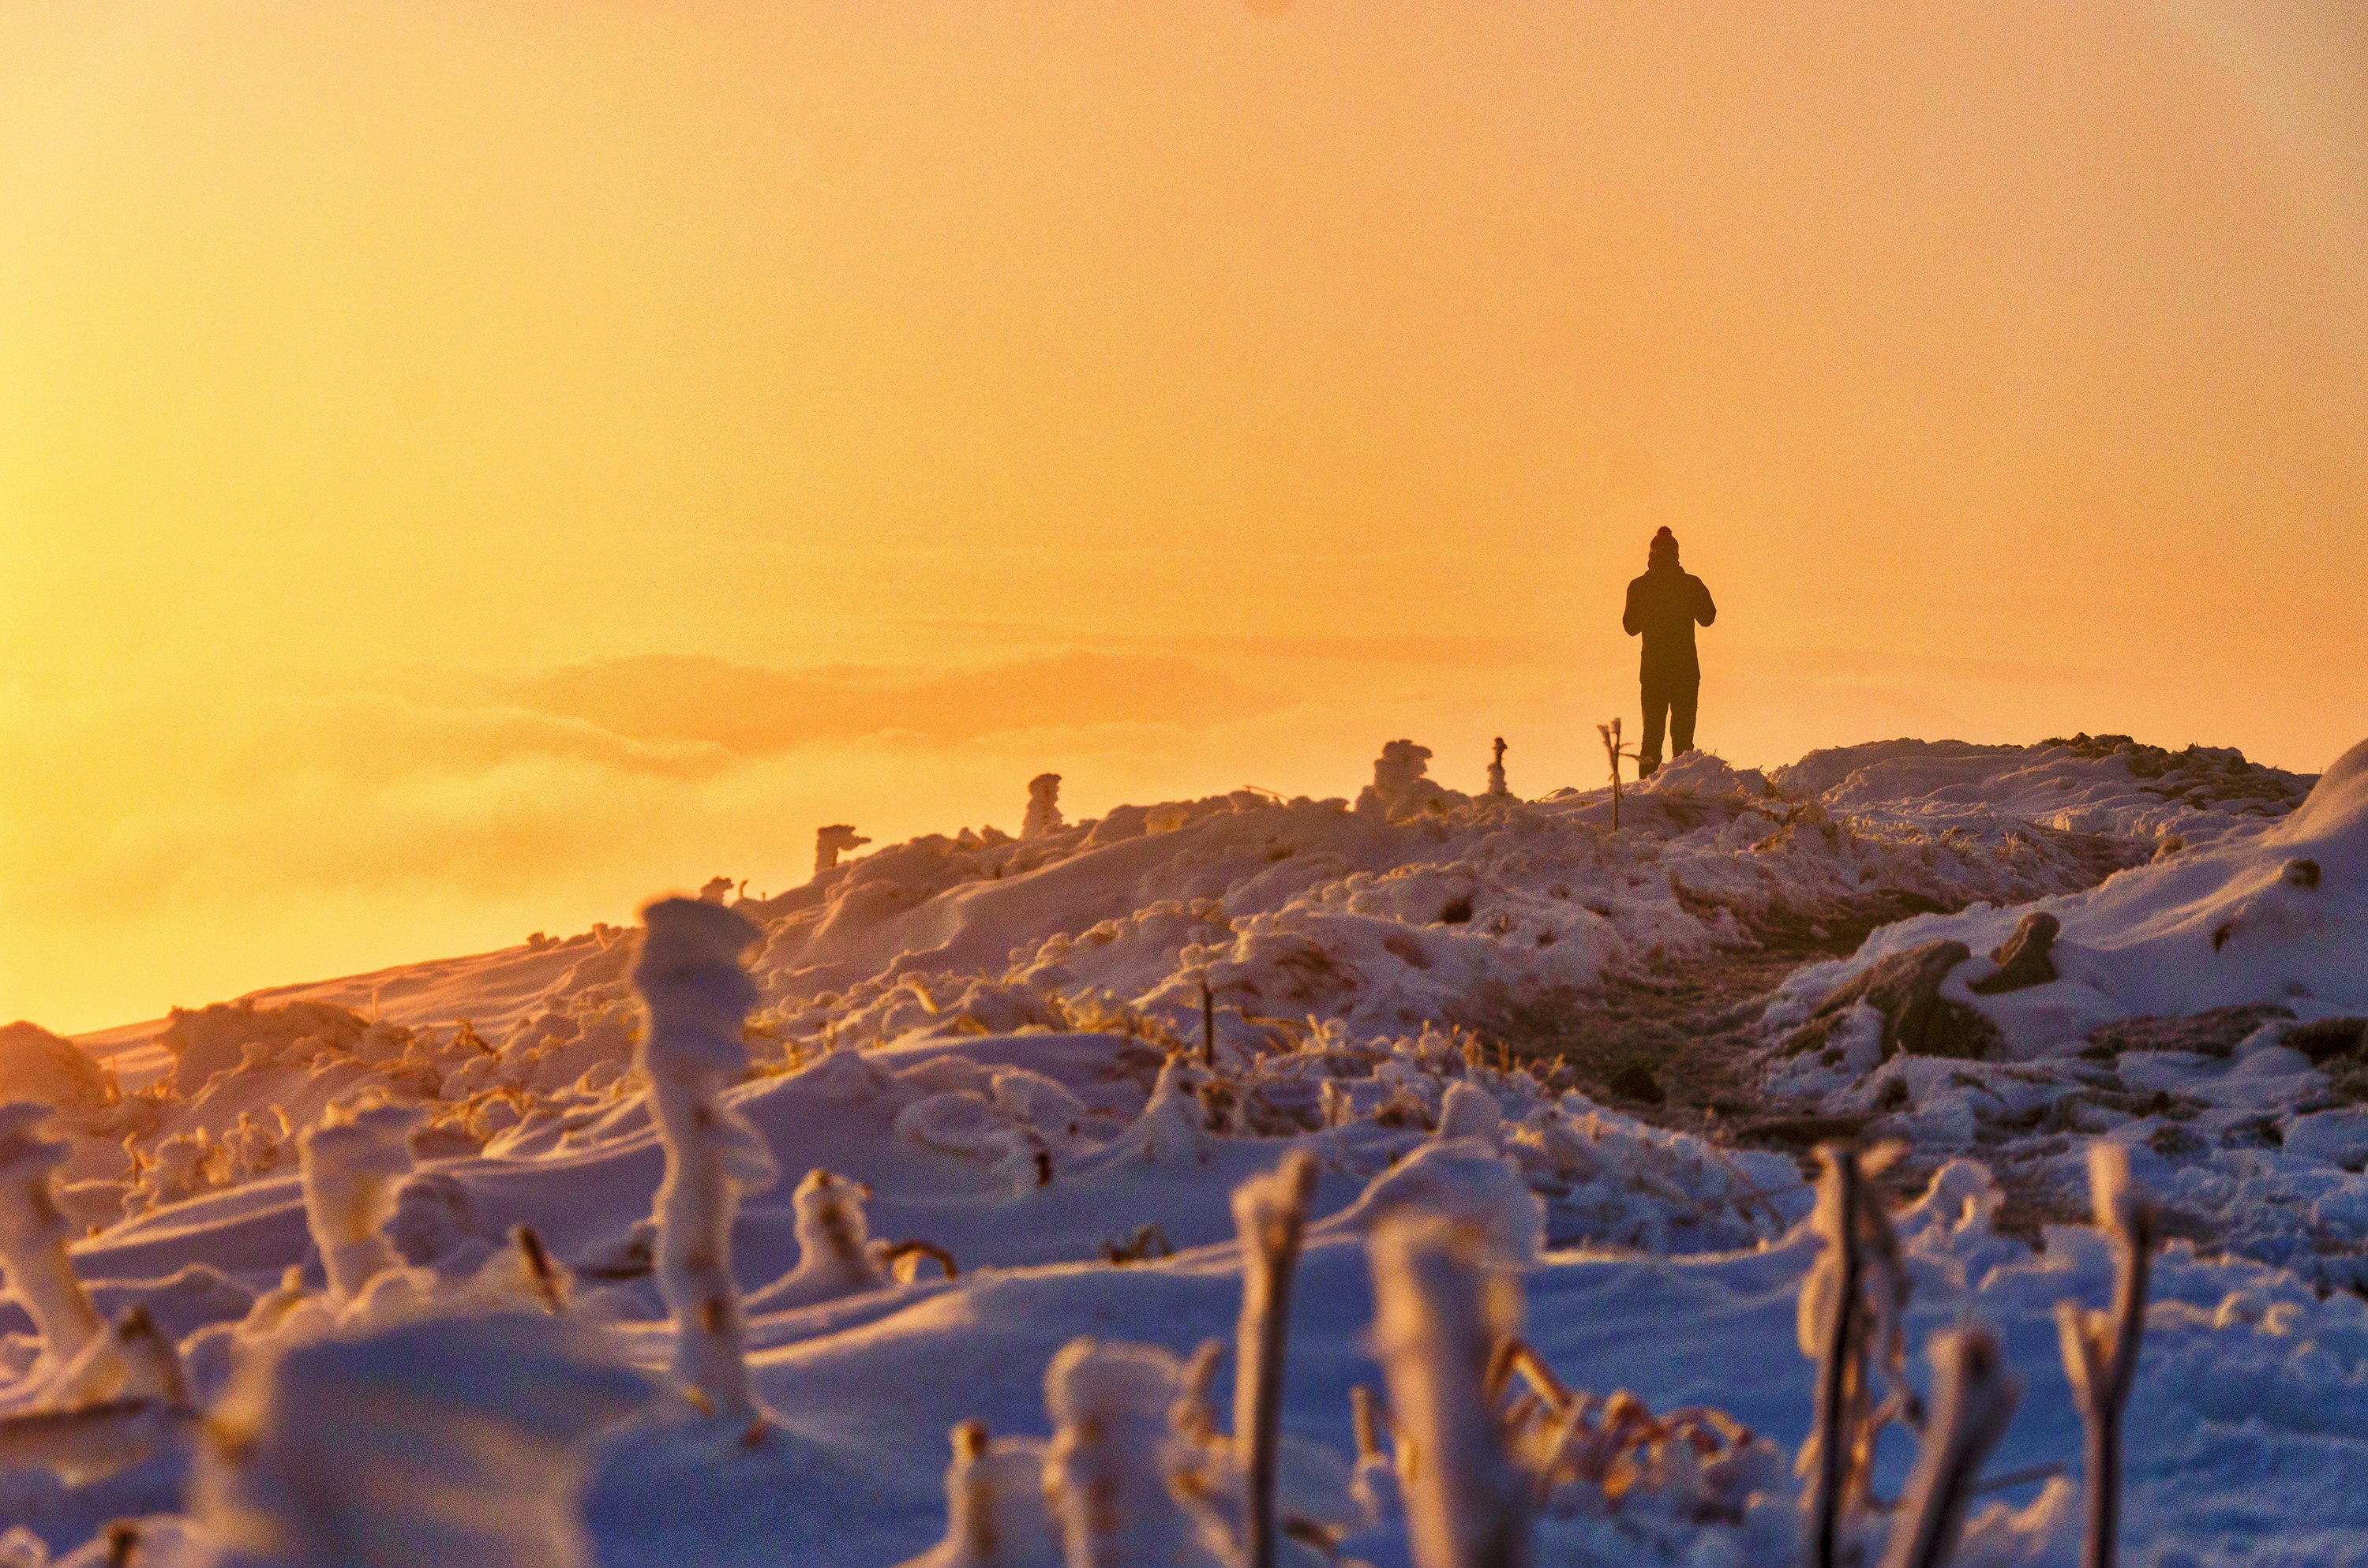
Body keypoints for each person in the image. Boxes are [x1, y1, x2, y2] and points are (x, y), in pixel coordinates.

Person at [1621, 526, 1716, 777]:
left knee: (1651, 742)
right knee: (1684, 746)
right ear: (1676, 556)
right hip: (1685, 673)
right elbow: (1709, 617)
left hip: (1654, 674)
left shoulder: (1640, 587)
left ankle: (1646, 797)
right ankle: (1682, 793)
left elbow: (1630, 627)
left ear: (1651, 556)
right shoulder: (1690, 584)